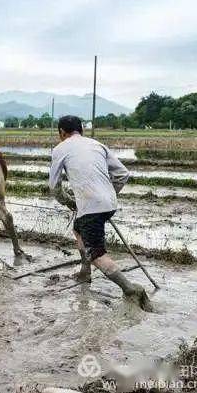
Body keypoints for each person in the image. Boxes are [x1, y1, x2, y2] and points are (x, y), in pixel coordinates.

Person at [49, 115, 152, 311]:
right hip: (109, 203)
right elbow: (123, 174)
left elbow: (54, 187)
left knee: (96, 253)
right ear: (82, 130)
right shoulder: (97, 144)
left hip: (90, 206)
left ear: (61, 133)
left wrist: (69, 202)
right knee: (78, 229)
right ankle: (84, 271)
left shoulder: (60, 149)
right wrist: (109, 194)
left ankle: (130, 290)